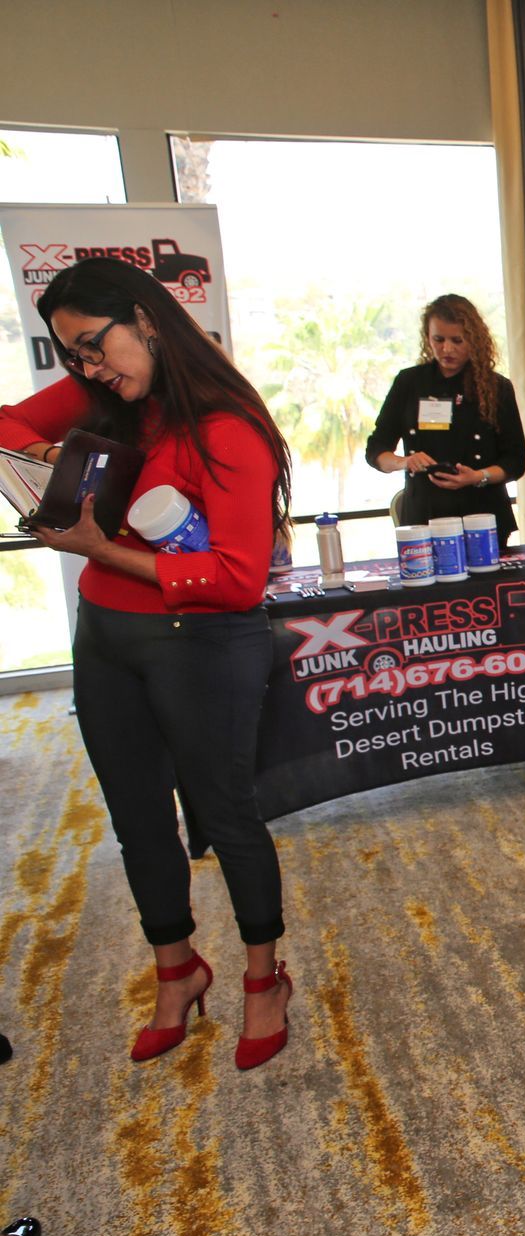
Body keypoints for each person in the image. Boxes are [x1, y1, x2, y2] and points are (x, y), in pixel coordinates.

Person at [0, 257, 295, 1072]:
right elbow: (5, 425)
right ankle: (178, 969)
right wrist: (59, 477)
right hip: (107, 637)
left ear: (147, 317)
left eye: (97, 347)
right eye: (75, 358)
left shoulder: (227, 424)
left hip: (202, 642)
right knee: (136, 819)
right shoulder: (103, 397)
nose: (91, 370)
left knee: (227, 814)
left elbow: (238, 578)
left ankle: (264, 980)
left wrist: (104, 546)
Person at [365, 294, 525, 534]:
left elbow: (515, 461)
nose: (446, 349)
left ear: (474, 340)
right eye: (438, 339)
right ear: (427, 338)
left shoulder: (497, 387)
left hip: (482, 516)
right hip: (424, 517)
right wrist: (404, 462)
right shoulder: (409, 383)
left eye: (457, 340)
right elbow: (376, 450)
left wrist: (477, 476)